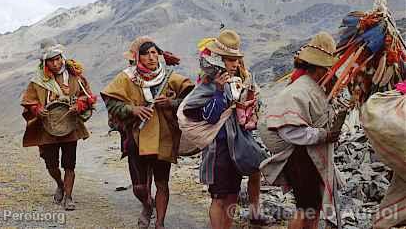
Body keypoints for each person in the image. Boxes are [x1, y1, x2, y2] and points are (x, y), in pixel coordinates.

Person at [101, 37, 194, 229]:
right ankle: (146, 204)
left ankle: (159, 223)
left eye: (154, 52)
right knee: (139, 187)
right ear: (137, 57)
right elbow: (111, 102)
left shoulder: (171, 78)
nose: (152, 57)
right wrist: (132, 110)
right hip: (136, 136)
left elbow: (191, 100)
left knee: (162, 182)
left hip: (163, 136)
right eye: (146, 53)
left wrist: (171, 103)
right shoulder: (126, 78)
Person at [179, 29, 267, 229]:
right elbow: (210, 118)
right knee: (219, 198)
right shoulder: (208, 85)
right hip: (218, 148)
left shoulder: (236, 82)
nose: (235, 64)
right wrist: (219, 93)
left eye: (236, 59)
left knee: (232, 195)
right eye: (230, 59)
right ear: (219, 59)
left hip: (235, 145)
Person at [259, 32, 345, 229]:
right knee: (305, 208)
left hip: (307, 156)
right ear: (320, 68)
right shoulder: (299, 90)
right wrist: (322, 135)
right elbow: (289, 130)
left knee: (312, 207)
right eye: (328, 68)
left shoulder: (312, 87)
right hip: (300, 157)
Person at [21, 39, 96, 210]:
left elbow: (87, 96)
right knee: (51, 164)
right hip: (47, 128)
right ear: (44, 62)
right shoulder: (38, 80)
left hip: (70, 126)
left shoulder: (75, 76)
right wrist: (37, 109)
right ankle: (60, 184)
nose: (55, 64)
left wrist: (79, 105)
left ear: (62, 57)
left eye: (58, 59)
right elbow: (28, 101)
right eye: (51, 60)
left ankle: (68, 196)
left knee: (69, 164)